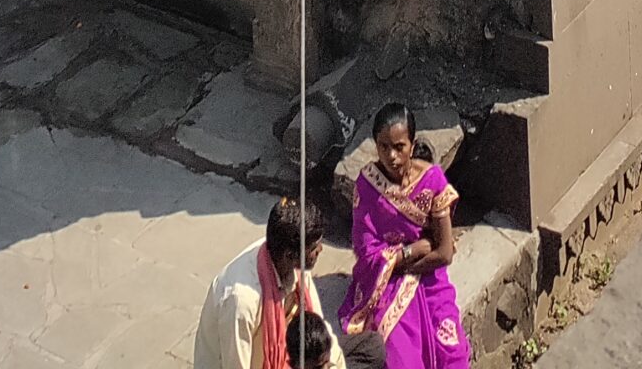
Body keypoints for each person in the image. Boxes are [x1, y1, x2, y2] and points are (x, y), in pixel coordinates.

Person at [341, 102, 466, 369]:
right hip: (385, 282)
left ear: (412, 144)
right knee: (400, 355)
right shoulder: (367, 184)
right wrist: (411, 252)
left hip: (430, 276)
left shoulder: (432, 181)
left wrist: (408, 265)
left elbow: (444, 253)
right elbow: (365, 250)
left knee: (451, 349)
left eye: (399, 147)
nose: (392, 156)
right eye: (383, 147)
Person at [194, 198, 326, 369]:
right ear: (290, 255)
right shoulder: (241, 301)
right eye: (314, 246)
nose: (320, 249)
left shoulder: (291, 262)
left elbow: (319, 330)